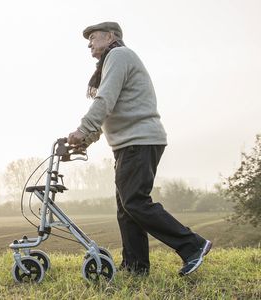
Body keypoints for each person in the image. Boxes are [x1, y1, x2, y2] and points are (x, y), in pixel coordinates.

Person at [67, 21, 212, 276]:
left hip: (139, 141)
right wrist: (86, 139)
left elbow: (105, 100)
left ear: (110, 36)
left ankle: (193, 246)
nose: (89, 44)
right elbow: (110, 110)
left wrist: (82, 129)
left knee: (135, 202)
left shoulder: (119, 55)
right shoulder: (115, 60)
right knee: (126, 209)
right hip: (131, 143)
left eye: (93, 37)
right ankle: (135, 267)